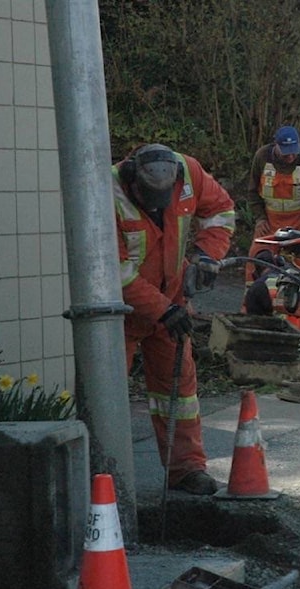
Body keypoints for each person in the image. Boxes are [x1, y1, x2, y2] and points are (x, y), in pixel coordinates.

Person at [112, 143, 236, 495]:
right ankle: (100, 475)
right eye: (148, 200)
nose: (156, 208)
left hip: (172, 306)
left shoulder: (189, 173)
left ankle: (186, 469)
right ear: (133, 179)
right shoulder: (106, 194)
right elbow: (114, 274)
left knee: (179, 393)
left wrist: (207, 256)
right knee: (106, 393)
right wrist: (163, 309)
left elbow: (221, 211)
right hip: (119, 315)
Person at [244, 125, 300, 284]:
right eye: (286, 152)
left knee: (297, 273)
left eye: (294, 151)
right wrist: (260, 218)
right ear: (276, 146)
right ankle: (250, 305)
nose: (291, 156)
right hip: (269, 226)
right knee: (255, 264)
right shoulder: (262, 157)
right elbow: (252, 192)